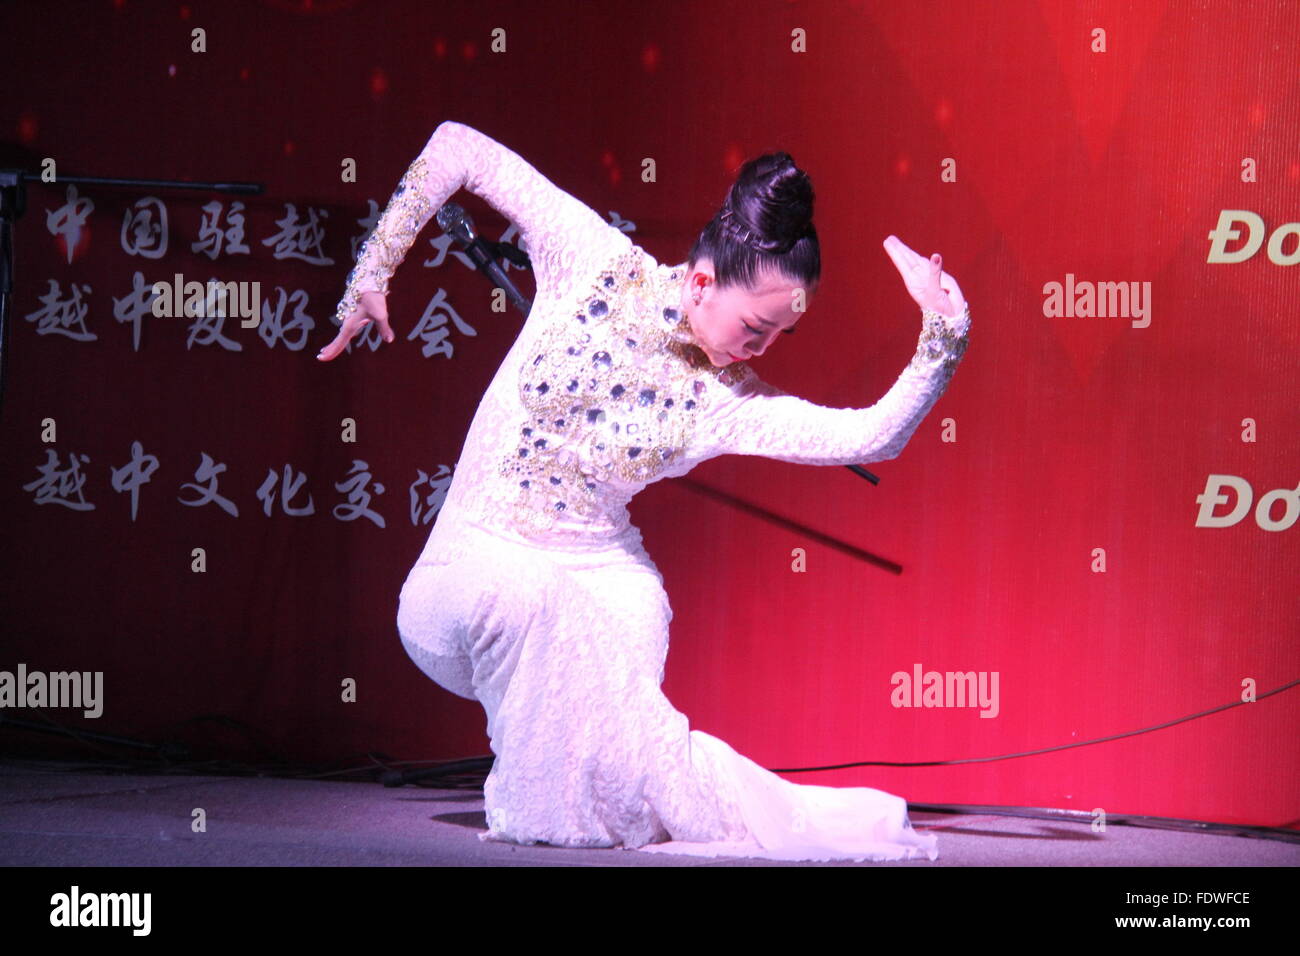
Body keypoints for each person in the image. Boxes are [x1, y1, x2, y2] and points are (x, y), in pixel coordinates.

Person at [319, 120, 970, 862]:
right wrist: (374, 267)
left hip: (599, 571)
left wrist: (944, 332)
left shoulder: (727, 399)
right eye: (756, 327)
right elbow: (457, 145)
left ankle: (597, 813)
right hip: (470, 567)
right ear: (700, 281)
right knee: (526, 594)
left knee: (640, 608)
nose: (759, 351)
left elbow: (869, 437)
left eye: (777, 339)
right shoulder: (591, 258)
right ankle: (561, 809)